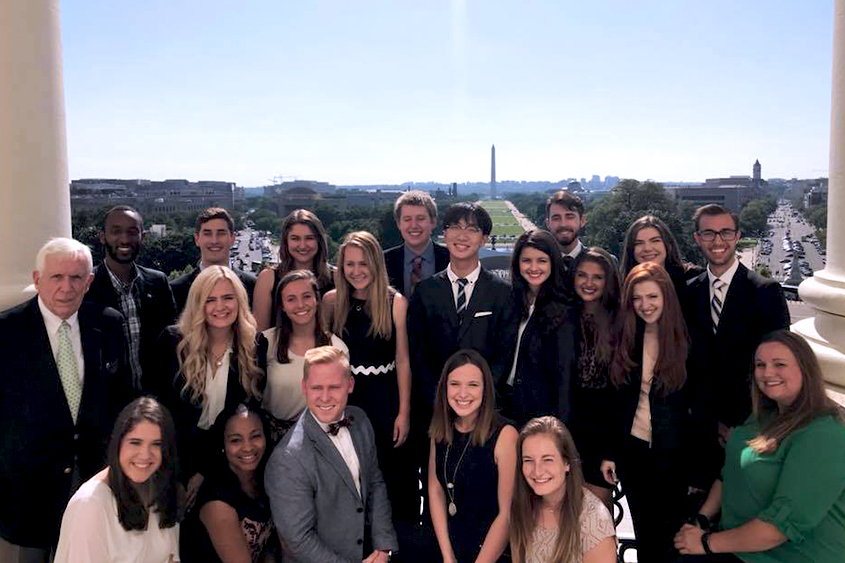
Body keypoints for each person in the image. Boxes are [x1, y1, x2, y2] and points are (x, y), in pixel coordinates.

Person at [0, 237, 129, 560]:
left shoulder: (108, 323)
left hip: (95, 486)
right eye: (57, 277)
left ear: (89, 282)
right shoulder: (6, 332)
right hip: (25, 497)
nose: (66, 287)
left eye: (76, 278)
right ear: (37, 279)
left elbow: (122, 399)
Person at [674, 330, 845, 563]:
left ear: (806, 369)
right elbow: (729, 473)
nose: (767, 373)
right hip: (736, 549)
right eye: (760, 364)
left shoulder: (824, 433)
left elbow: (779, 528)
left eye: (779, 364)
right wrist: (703, 518)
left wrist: (706, 543)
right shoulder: (763, 416)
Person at [408, 201, 517, 529]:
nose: (462, 235)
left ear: (484, 238)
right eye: (455, 227)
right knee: (438, 495)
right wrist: (444, 405)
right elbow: (418, 357)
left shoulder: (502, 294)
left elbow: (504, 355)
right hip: (438, 418)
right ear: (444, 234)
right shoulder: (425, 292)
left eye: (472, 229)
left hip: (486, 420)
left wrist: (475, 405)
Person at [601, 262, 715, 563]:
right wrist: (612, 451)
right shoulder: (627, 336)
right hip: (636, 453)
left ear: (666, 296)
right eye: (637, 299)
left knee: (675, 543)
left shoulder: (690, 341)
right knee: (646, 537)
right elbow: (617, 401)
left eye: (652, 297)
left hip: (676, 458)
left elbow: (702, 410)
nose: (644, 305)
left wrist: (699, 471)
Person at [265, 346, 398, 563]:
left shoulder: (360, 420)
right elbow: (299, 540)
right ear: (304, 387)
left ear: (350, 385)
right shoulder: (288, 459)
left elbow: (375, 483)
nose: (325, 397)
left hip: (368, 552)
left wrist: (383, 547)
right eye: (317, 388)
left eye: (334, 387)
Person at [150, 266, 264, 509]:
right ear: (198, 304)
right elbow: (160, 414)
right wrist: (178, 476)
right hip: (174, 460)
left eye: (227, 298)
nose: (220, 306)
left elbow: (244, 413)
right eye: (210, 300)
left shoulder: (255, 346)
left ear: (240, 300)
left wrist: (204, 472)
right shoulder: (173, 342)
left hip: (226, 461)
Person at [323, 231, 416, 527]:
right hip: (345, 400)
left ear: (376, 264)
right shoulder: (331, 302)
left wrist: (404, 412)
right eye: (349, 264)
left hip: (383, 399)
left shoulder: (394, 301)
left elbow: (402, 360)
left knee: (387, 475)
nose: (356, 271)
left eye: (363, 263)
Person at [683, 204, 790, 446]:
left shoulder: (766, 292)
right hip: (699, 427)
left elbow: (779, 362)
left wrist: (751, 424)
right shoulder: (688, 292)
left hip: (750, 426)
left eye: (726, 232)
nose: (718, 240)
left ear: (738, 236)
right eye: (708, 233)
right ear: (698, 238)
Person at [54, 396, 181, 563]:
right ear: (118, 444)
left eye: (156, 444)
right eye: (135, 442)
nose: (145, 454)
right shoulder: (90, 504)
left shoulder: (162, 491)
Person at [428, 349, 518, 563]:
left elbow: (507, 515)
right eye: (455, 384)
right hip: (452, 547)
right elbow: (435, 490)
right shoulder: (440, 431)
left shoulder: (505, 435)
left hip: (494, 552)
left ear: (485, 389)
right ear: (444, 387)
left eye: (473, 385)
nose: (463, 393)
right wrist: (448, 557)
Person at [85, 205, 177, 391]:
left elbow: (172, 344)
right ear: (103, 237)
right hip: (108, 408)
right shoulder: (86, 288)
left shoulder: (158, 282)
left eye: (132, 232)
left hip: (155, 401)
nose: (125, 239)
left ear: (142, 236)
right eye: (116, 231)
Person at [510, 416, 617, 563]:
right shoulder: (522, 506)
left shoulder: (594, 521)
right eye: (528, 460)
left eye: (547, 459)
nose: (537, 471)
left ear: (567, 463)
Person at [257, 269, 348, 442]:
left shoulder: (337, 348)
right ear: (282, 306)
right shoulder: (266, 343)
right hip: (269, 437)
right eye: (291, 299)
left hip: (318, 438)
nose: (300, 305)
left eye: (306, 296)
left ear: (316, 300)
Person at [181, 401, 276, 563]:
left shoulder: (267, 480)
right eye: (235, 440)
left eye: (255, 436)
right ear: (223, 445)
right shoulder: (217, 502)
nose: (247, 447)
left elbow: (269, 549)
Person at [503, 229, 577, 427]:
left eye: (542, 261)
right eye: (526, 260)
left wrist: (560, 427)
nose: (534, 267)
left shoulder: (565, 311)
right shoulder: (510, 302)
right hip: (503, 407)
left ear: (553, 262)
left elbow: (565, 378)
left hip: (540, 413)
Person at [567, 247, 621, 507]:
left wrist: (610, 450)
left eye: (597, 277)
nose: (588, 283)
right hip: (566, 425)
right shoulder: (564, 316)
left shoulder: (619, 321)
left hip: (601, 430)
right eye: (582, 275)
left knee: (598, 520)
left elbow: (621, 390)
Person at [252, 209, 334, 331]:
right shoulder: (268, 278)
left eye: (309, 238)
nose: (302, 245)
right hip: (279, 349)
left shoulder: (337, 277)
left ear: (319, 241)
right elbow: (260, 333)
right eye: (295, 238)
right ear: (286, 241)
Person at [171, 207, 257, 315]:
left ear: (232, 238)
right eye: (207, 234)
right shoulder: (175, 290)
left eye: (221, 233)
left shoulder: (254, 287)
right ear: (197, 239)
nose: (214, 240)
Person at [384, 190, 450, 298]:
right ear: (398, 224)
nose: (414, 225)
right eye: (407, 219)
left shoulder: (452, 260)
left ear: (433, 222)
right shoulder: (382, 262)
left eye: (420, 218)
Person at [619, 214, 701, 296]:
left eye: (655, 241)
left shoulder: (694, 280)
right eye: (638, 243)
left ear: (668, 245)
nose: (647, 248)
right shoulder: (621, 289)